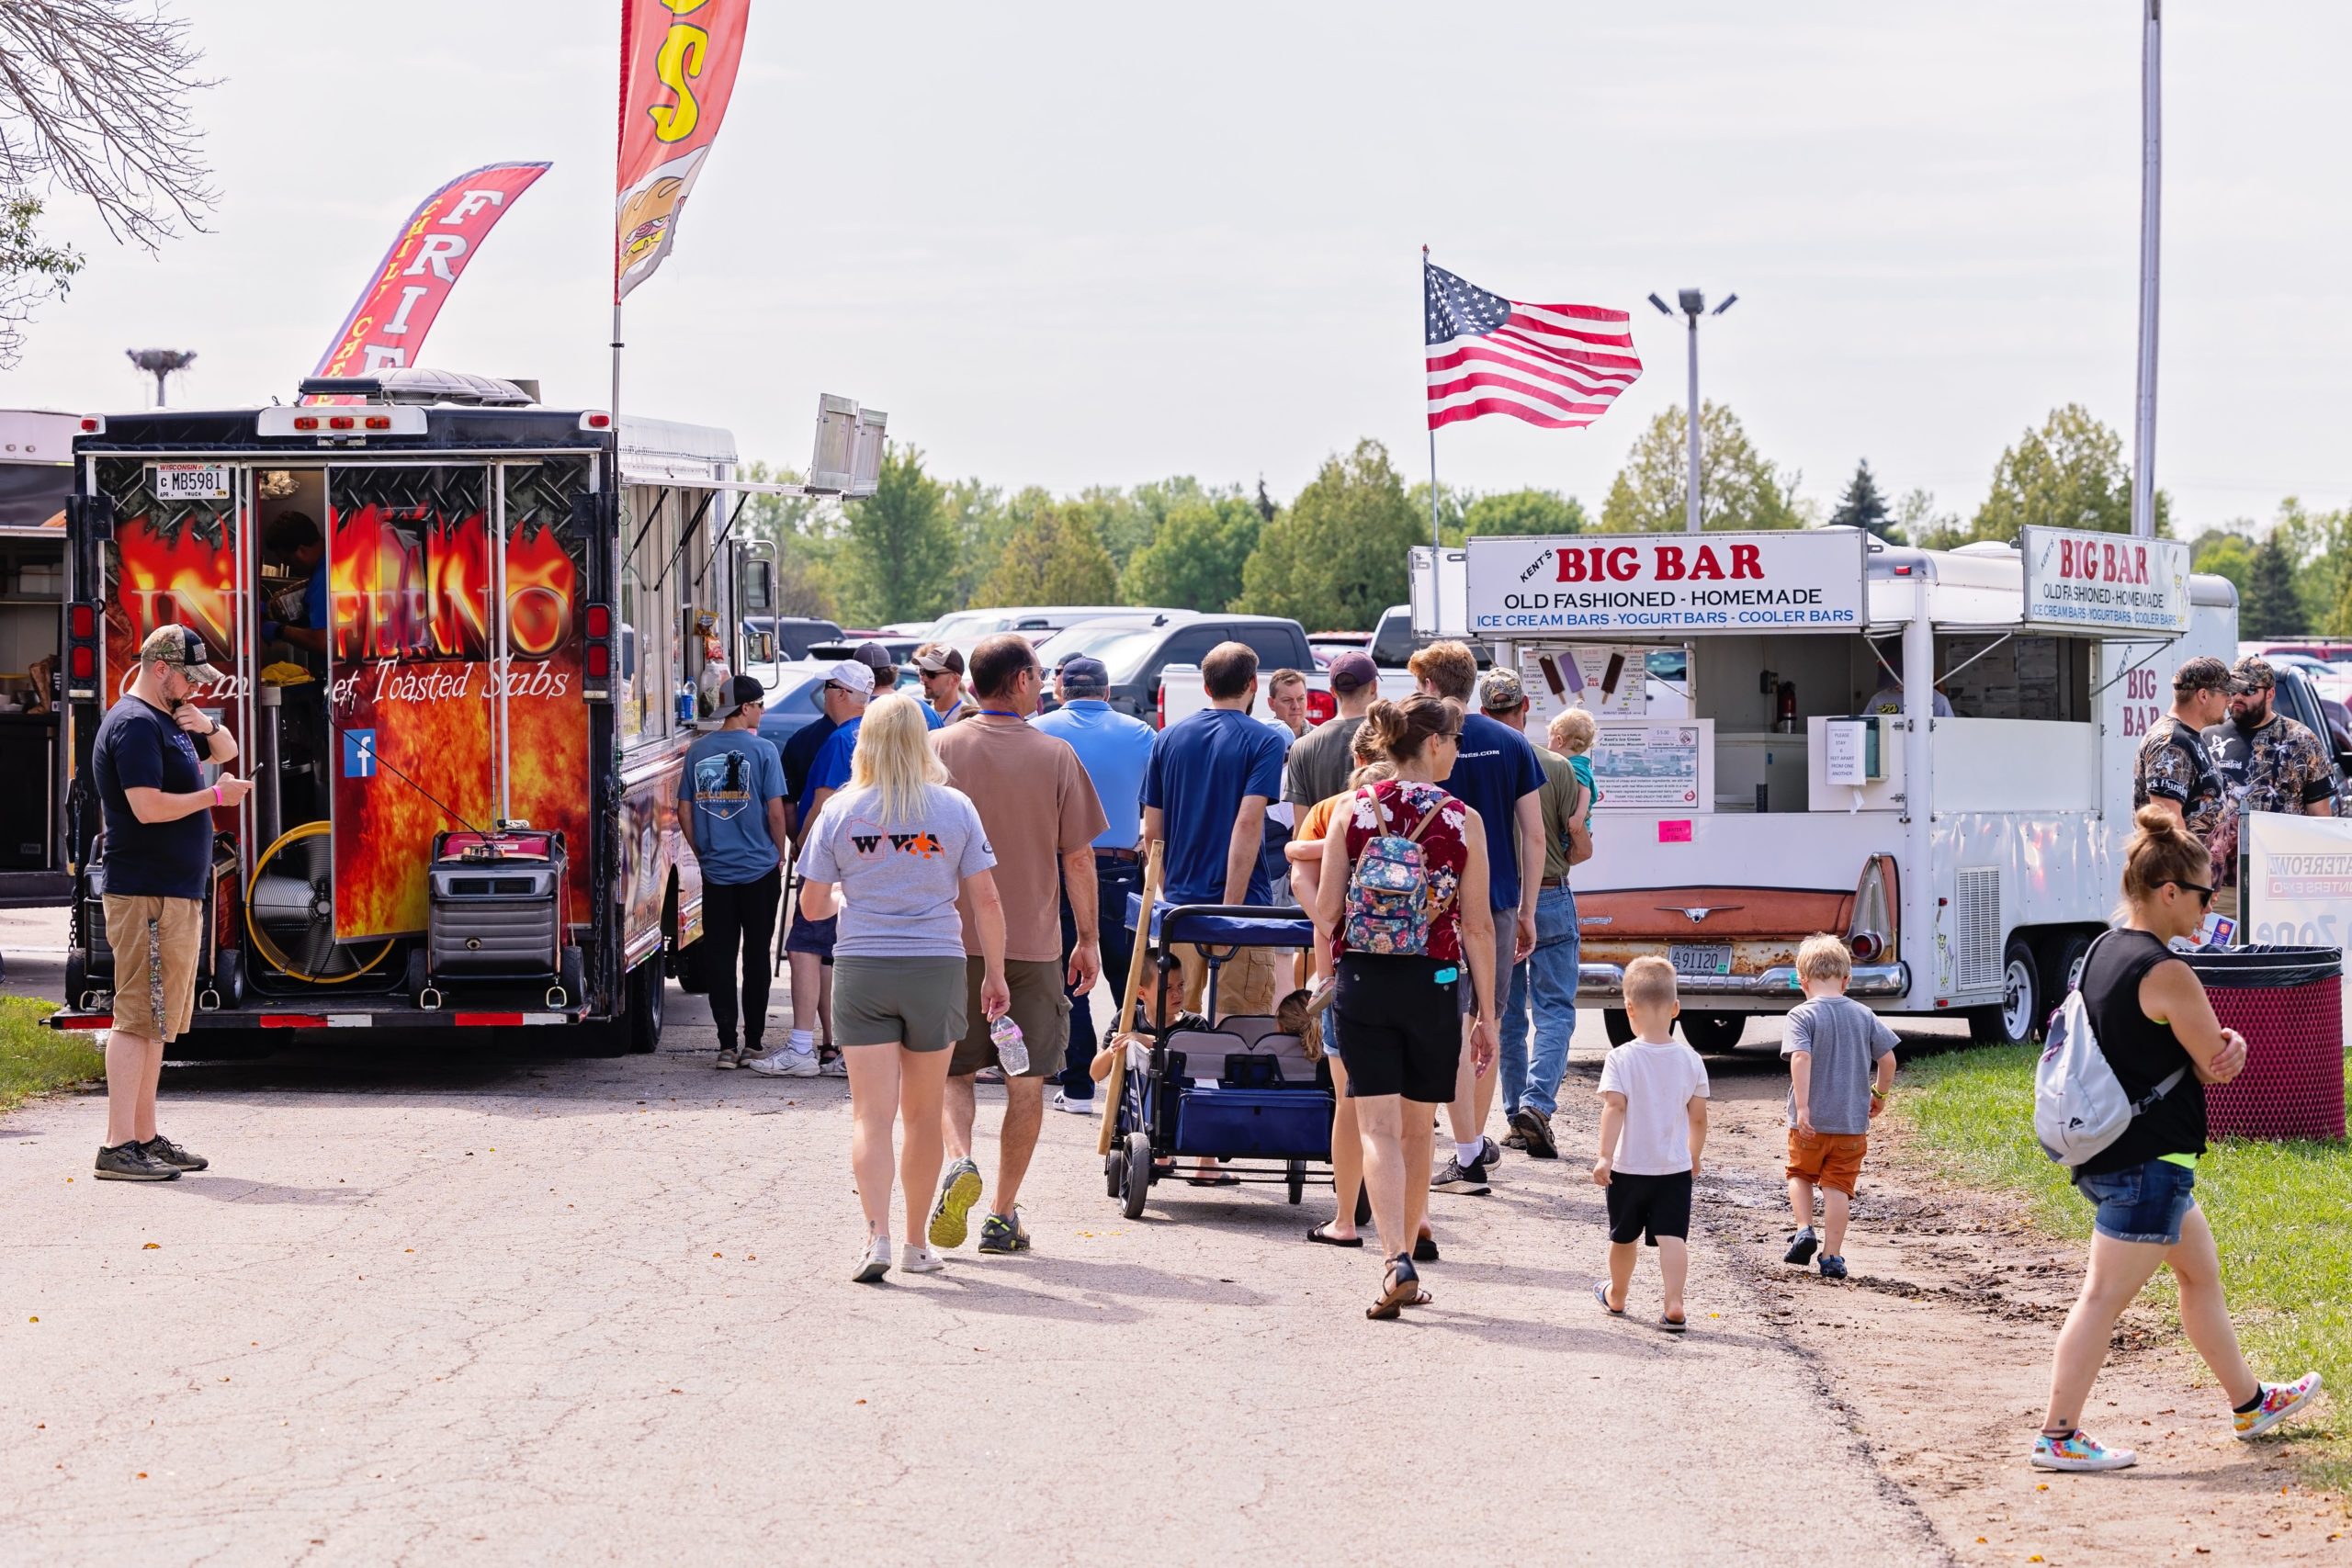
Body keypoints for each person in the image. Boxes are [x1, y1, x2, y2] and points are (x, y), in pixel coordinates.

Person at [2031, 806, 2321, 1472]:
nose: (2208, 903)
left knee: (2199, 1274)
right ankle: (2058, 1433)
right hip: (2148, 1164)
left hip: (2117, 1152)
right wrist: (2235, 1046)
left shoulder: (2104, 948)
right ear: (2168, 892)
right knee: (2102, 1298)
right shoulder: (2168, 972)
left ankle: (2250, 1400)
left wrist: (2212, 1050)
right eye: (2202, 891)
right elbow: (2212, 1062)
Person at [795, 693, 1009, 1281]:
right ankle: (917, 1244)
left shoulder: (841, 810)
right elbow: (985, 898)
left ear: (864, 740)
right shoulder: (953, 808)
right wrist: (993, 973)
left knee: (870, 1116)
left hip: (863, 967)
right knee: (921, 1116)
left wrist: (843, 896)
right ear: (924, 739)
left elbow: (812, 906)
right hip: (935, 967)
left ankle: (877, 1239)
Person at [1309, 694, 1498, 1319]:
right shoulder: (1462, 818)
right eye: (1455, 740)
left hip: (1365, 980)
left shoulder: (1351, 811)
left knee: (1377, 1128)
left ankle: (1395, 1257)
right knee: (1419, 1127)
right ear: (1434, 745)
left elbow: (1329, 911)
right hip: (1436, 982)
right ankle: (1414, 1230)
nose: (1458, 750)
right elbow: (1478, 929)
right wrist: (1488, 1014)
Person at [927, 634, 1109, 1257]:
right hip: (1030, 945)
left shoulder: (936, 749)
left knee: (951, 1070)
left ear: (973, 683)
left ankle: (958, 1160)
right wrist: (1087, 938)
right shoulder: (1055, 755)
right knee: (1025, 1080)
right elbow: (1079, 856)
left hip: (946, 938)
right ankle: (1002, 1213)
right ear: (1024, 681)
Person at [88, 626, 252, 1181]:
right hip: (147, 893)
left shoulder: (171, 716)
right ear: (161, 668)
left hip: (173, 891)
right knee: (137, 1016)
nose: (195, 688)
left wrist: (207, 725)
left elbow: (229, 750)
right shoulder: (135, 725)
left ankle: (144, 1136)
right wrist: (214, 796)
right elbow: (147, 808)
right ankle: (117, 1145)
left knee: (157, 1019)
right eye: (188, 677)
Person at [1407, 640, 1541, 1195]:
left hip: (1433, 903)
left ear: (1433, 687)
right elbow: (1534, 832)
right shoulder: (1511, 742)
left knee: (1447, 1021)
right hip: (1500, 901)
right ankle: (1475, 1142)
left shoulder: (1422, 742)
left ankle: (1462, 1146)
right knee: (1491, 1018)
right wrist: (1529, 907)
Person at [1143, 641, 1291, 1018]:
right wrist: (1229, 910)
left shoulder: (1168, 737)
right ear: (1254, 684)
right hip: (1243, 910)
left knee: (1175, 1023)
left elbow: (1152, 831)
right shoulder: (1265, 740)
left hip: (1183, 908)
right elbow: (1247, 823)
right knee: (1241, 1029)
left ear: (1206, 687)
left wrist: (1170, 890)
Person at [1034, 654, 1153, 1115]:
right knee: (1132, 980)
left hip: (1060, 865)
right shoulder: (1140, 733)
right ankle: (1135, 1081)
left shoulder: (1040, 729)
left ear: (1062, 690)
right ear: (1106, 692)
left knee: (1070, 977)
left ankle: (1080, 1084)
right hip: (1123, 866)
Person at [1480, 668, 1590, 1160]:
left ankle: (1512, 1115)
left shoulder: (1471, 764)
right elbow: (1578, 847)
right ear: (1526, 708)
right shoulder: (1558, 767)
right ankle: (1537, 1106)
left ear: (1484, 714)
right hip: (1548, 896)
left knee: (1502, 1013)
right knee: (1555, 1010)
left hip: (1494, 899)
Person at [1293, 754, 1393, 1250]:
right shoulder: (1430, 822)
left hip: (1349, 976)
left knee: (1349, 1105)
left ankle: (1346, 1219)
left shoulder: (1340, 824)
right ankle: (1414, 1225)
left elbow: (1312, 895)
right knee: (1408, 1114)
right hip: (1412, 979)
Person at [754, 660, 873, 1078]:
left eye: (828, 688)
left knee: (803, 946)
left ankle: (804, 1047)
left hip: (834, 863)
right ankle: (838, 1046)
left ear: (841, 693)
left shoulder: (841, 740)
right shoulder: (874, 735)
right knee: (831, 954)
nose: (823, 695)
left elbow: (822, 805)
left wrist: (803, 848)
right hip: (867, 859)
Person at [1590, 955, 1710, 1332]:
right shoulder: (1691, 1060)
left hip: (1628, 1168)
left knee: (1622, 1237)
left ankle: (1618, 1295)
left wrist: (1604, 1156)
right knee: (1672, 1237)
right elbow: (1699, 1117)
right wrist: (1693, 1155)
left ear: (1629, 1009)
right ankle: (1674, 1303)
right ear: (1676, 1008)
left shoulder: (1620, 1058)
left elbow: (1614, 1107)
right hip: (1673, 1169)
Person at [678, 675, 789, 1070]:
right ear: (745, 709)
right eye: (759, 704)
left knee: (720, 958)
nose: (762, 711)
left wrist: (702, 852)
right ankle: (753, 1042)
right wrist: (778, 852)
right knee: (756, 956)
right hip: (759, 870)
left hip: (717, 872)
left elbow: (684, 811)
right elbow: (776, 811)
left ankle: (726, 1044)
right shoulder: (764, 751)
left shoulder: (697, 751)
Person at [1779, 934, 1898, 1280]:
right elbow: (1888, 1059)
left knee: (1799, 1174)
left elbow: (1801, 1057)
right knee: (1838, 1188)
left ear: (1803, 981)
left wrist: (1803, 1109)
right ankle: (1832, 1256)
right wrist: (1879, 1094)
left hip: (1810, 1124)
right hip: (1850, 1124)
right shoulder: (1864, 1014)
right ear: (1846, 980)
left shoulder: (1801, 1015)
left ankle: (1804, 1229)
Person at [2202, 656, 2335, 921]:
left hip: (2280, 886)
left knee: (2272, 961)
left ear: (2270, 693)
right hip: (2220, 887)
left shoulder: (2301, 740)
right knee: (2218, 961)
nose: (2237, 696)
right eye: (2233, 689)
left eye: (2249, 690)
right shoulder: (2208, 736)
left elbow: (2322, 820)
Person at [2133, 656, 2228, 846]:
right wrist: (2187, 874)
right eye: (2226, 693)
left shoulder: (2189, 736)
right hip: (2180, 872)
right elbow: (2168, 825)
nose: (2230, 700)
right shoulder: (2171, 743)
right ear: (2203, 695)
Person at [1283, 650, 1378, 811]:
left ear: (1333, 692)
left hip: (1319, 835)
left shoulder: (1301, 747)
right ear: (1374, 687)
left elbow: (1300, 829)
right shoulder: (1389, 738)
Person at [258, 512, 328, 662]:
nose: (291, 567)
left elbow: (323, 641)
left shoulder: (323, 579)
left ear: (301, 551)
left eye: (287, 560)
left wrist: (279, 630)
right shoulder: (336, 558)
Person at [1863, 642, 1954, 718]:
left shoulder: (1937, 700)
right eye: (1890, 677)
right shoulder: (1878, 700)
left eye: (1899, 675)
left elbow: (1949, 734)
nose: (1894, 682)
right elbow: (1866, 730)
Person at [1549, 708, 1599, 829]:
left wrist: (1578, 818)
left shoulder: (1574, 767)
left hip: (1576, 828)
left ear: (1559, 741)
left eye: (1549, 739)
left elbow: (1585, 792)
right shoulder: (1579, 765)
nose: (1548, 745)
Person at [914, 643, 969, 724]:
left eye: (931, 673)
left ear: (955, 679)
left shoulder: (969, 719)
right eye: (922, 671)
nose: (924, 678)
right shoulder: (922, 715)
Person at [1261, 668, 1311, 745]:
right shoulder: (1261, 740)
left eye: (1301, 699)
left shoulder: (1321, 739)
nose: (1296, 706)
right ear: (1271, 703)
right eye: (1287, 700)